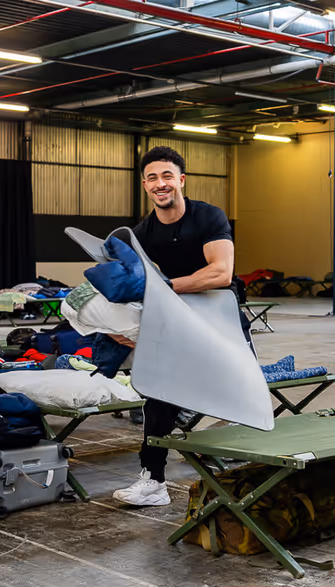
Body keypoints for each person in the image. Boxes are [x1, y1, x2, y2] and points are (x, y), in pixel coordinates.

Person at [112, 145, 245, 506]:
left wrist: (165, 287)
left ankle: (251, 468)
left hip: (221, 316)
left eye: (167, 176)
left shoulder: (208, 217)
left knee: (237, 389)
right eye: (152, 178)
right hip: (178, 317)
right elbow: (133, 285)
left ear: (181, 180)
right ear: (145, 185)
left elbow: (221, 273)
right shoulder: (142, 233)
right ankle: (153, 481)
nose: (161, 184)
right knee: (158, 393)